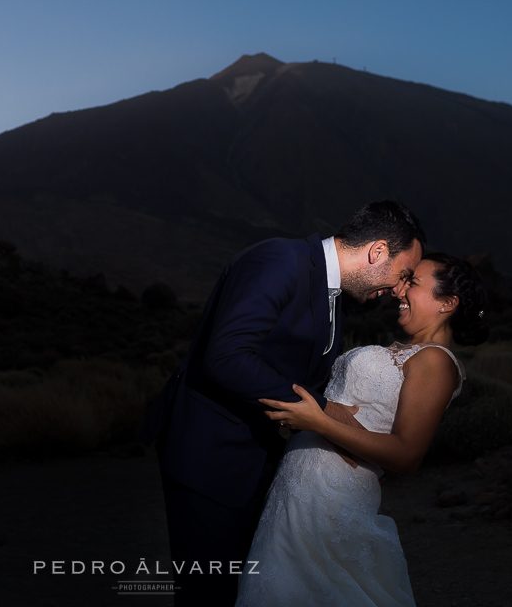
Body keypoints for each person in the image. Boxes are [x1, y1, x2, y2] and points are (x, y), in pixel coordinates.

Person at [141, 201, 426, 606]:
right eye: (402, 274)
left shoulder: (334, 296)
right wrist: (325, 410)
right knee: (208, 593)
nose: (398, 289)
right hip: (211, 457)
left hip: (259, 462)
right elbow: (226, 357)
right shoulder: (279, 259)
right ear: (378, 251)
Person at [235, 252, 489, 607]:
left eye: (413, 283)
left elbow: (407, 455)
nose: (400, 290)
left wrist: (318, 423)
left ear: (447, 303)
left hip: (333, 497)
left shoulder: (435, 361)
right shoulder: (406, 351)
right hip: (300, 486)